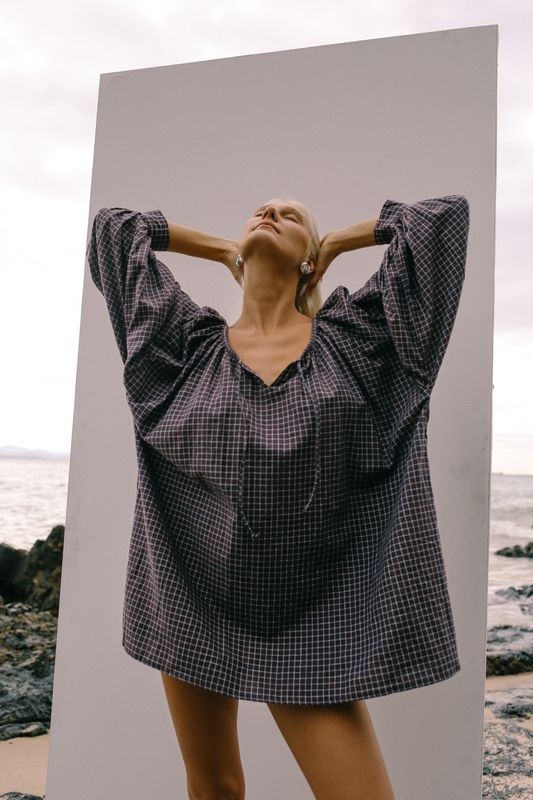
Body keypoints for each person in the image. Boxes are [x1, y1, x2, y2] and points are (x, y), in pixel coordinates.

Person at [87, 193, 470, 800]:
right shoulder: (183, 349)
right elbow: (115, 232)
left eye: (292, 216)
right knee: (214, 786)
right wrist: (219, 251)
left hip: (315, 615)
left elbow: (442, 222)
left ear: (308, 259)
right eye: (260, 210)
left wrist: (342, 240)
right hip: (194, 595)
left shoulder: (360, 342)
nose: (270, 213)